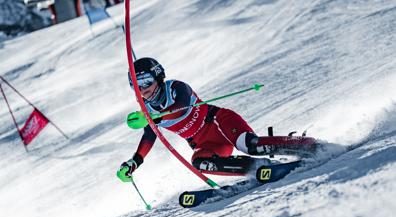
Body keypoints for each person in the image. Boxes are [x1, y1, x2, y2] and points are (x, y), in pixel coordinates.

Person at [117, 57, 316, 182]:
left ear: (158, 77)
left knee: (250, 145)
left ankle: (304, 145)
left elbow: (180, 108)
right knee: (200, 162)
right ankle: (259, 167)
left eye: (145, 81)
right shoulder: (148, 112)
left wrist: (153, 118)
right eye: (136, 85)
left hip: (220, 123)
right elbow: (148, 139)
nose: (143, 89)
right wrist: (133, 163)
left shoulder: (176, 88)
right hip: (205, 142)